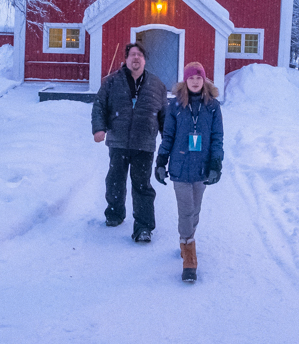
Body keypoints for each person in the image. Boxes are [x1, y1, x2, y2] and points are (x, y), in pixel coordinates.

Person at [154, 62, 223, 282]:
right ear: (185, 80)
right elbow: (168, 136)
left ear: (204, 80)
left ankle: (185, 239)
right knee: (186, 210)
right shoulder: (174, 106)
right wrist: (161, 161)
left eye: (199, 77)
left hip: (202, 167)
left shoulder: (212, 107)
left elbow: (216, 138)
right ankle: (189, 257)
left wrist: (215, 164)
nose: (195, 81)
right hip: (180, 166)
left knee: (195, 210)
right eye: (191, 77)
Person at [91, 42, 167, 243]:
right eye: (132, 54)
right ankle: (115, 214)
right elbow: (99, 105)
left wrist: (169, 140)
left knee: (142, 185)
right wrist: (99, 128)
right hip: (118, 141)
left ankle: (143, 227)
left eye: (139, 55)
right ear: (125, 59)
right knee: (115, 180)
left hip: (144, 143)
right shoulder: (111, 82)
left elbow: (164, 116)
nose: (136, 58)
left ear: (144, 60)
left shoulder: (157, 84)